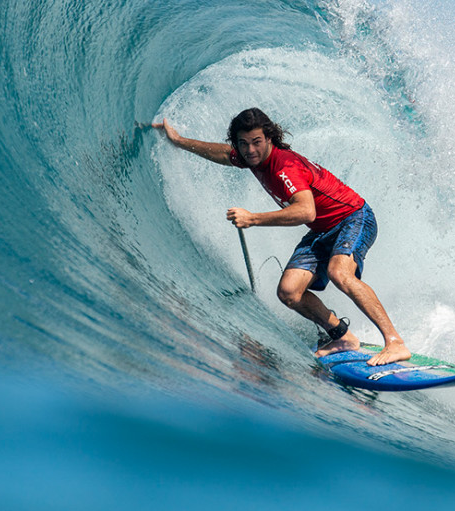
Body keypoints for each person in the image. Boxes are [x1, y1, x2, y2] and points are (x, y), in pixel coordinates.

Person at [153, 108, 411, 366]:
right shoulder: (251, 157)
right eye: (243, 144)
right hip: (323, 230)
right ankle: (342, 337)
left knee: (340, 273)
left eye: (256, 142)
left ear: (269, 139)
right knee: (289, 292)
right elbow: (222, 153)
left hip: (353, 217)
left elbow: (305, 210)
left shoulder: (284, 166)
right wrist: (178, 141)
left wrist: (252, 218)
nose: (250, 150)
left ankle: (395, 342)